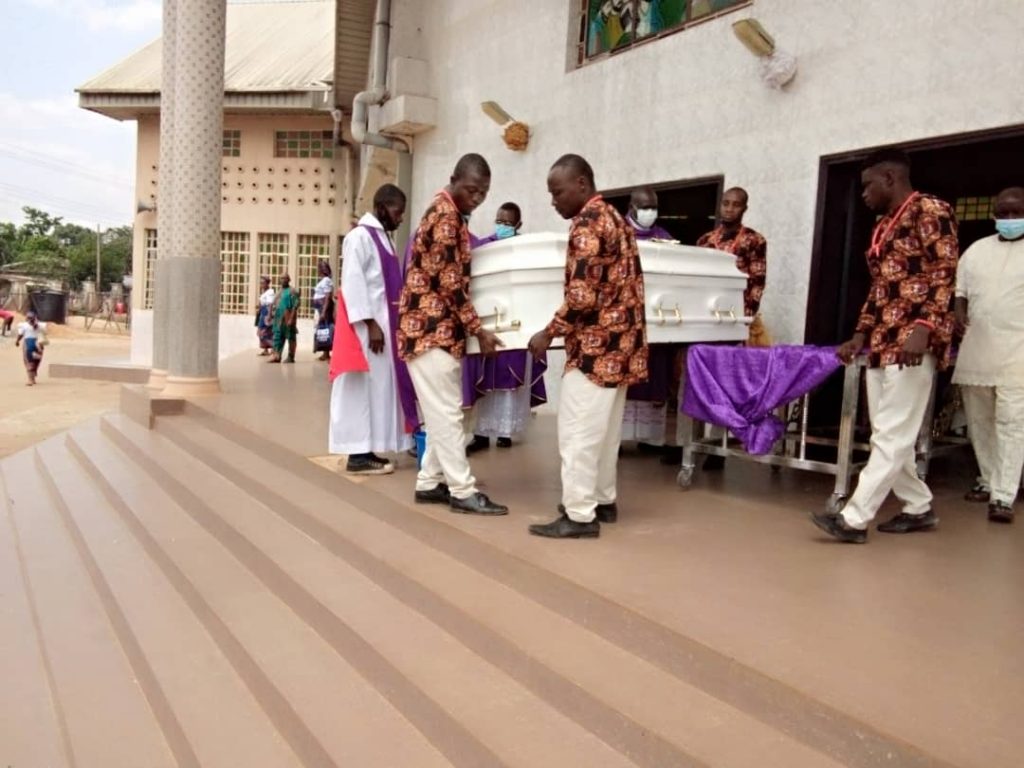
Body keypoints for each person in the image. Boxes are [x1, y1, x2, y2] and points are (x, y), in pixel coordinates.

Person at [812, 148, 958, 543]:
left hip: (913, 344)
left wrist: (926, 327)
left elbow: (945, 272)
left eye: (867, 186)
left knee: (891, 434)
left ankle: (853, 519)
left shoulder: (930, 210)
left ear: (890, 178)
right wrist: (860, 333)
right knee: (888, 433)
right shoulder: (883, 225)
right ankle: (918, 506)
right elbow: (880, 287)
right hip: (881, 343)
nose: (863, 194)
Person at [528, 154, 649, 539]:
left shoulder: (586, 224)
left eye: (557, 191)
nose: (553, 201)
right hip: (622, 346)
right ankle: (603, 498)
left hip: (595, 351)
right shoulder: (616, 218)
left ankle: (580, 515)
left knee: (578, 433)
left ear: (581, 184)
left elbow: (582, 297)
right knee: (606, 432)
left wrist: (548, 332)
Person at [398, 153, 509, 515]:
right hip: (431, 331)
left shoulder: (448, 213)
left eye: (483, 193)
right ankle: (462, 491)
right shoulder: (446, 217)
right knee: (447, 414)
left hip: (433, 331)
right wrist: (480, 330)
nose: (478, 198)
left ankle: (429, 482)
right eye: (472, 190)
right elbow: (449, 283)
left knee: (442, 413)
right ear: (454, 180)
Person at [330, 184, 418, 475]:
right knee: (362, 390)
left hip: (384, 329)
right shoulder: (359, 237)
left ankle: (370, 447)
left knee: (378, 391)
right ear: (382, 207)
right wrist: (370, 325)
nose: (401, 217)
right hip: (368, 332)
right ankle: (358, 454)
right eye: (398, 211)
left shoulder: (384, 239)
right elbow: (353, 283)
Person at [953, 186, 1024, 524]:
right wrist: (959, 312)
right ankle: (987, 478)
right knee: (979, 424)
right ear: (994, 214)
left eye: (1017, 212)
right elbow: (960, 293)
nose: (1010, 219)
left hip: (1019, 353)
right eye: (1004, 213)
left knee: (1012, 424)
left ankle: (1003, 496)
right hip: (978, 348)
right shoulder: (976, 250)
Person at [464, 201, 546, 453]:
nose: (501, 226)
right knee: (484, 376)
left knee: (511, 375)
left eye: (508, 223)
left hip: (515, 321)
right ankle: (479, 434)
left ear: (518, 225)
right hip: (488, 320)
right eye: (499, 221)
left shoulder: (525, 249)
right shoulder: (482, 247)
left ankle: (505, 431)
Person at [695, 186, 769, 469]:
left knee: (724, 385)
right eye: (725, 203)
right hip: (703, 322)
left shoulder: (754, 240)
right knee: (699, 381)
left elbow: (757, 283)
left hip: (731, 323)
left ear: (744, 208)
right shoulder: (705, 240)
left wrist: (743, 322)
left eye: (735, 205)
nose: (729, 209)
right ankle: (689, 443)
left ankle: (717, 447)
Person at [269, 273, 299, 364]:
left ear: (288, 280)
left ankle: (291, 356)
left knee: (291, 336)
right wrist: (271, 314)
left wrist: (291, 318)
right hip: (278, 318)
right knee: (278, 336)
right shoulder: (279, 291)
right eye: (281, 278)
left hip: (288, 316)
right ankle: (277, 356)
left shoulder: (293, 291)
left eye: (284, 278)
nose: (282, 280)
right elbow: (274, 303)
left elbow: (295, 305)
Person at [15, 311, 47, 386]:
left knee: (29, 361)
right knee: (36, 361)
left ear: (27, 318)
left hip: (29, 344)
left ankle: (30, 380)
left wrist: (17, 341)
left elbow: (20, 335)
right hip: (39, 345)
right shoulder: (41, 325)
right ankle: (33, 376)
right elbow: (45, 334)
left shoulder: (23, 325)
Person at [312, 260, 334, 361]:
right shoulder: (322, 280)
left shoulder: (327, 280)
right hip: (319, 308)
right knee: (321, 330)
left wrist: (324, 311)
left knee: (326, 330)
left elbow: (327, 297)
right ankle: (324, 353)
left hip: (323, 308)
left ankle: (327, 353)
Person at [255, 275, 275, 355]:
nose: (261, 285)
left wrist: (269, 316)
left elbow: (270, 304)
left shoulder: (270, 292)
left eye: (263, 283)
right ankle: (266, 350)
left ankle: (274, 347)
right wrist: (259, 308)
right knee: (264, 331)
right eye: (261, 283)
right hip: (262, 312)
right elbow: (262, 303)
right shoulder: (264, 293)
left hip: (266, 313)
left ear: (267, 284)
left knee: (263, 332)